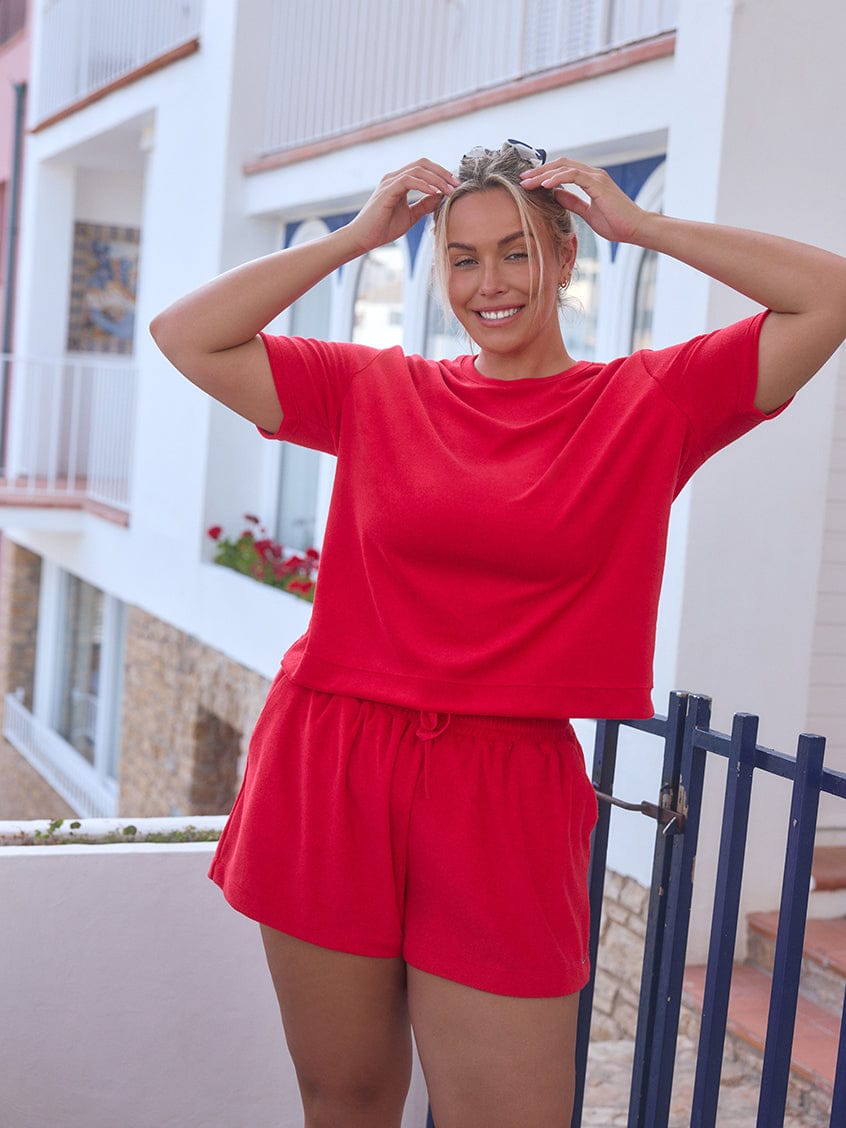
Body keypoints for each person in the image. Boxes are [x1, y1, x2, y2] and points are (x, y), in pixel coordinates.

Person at [150, 141, 846, 1128]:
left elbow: (829, 296)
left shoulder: (646, 404)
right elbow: (186, 337)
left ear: (566, 258)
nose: (491, 283)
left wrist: (642, 226)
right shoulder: (374, 390)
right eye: (464, 258)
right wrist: (357, 236)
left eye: (517, 252)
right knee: (343, 1101)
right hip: (333, 758)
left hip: (506, 787)